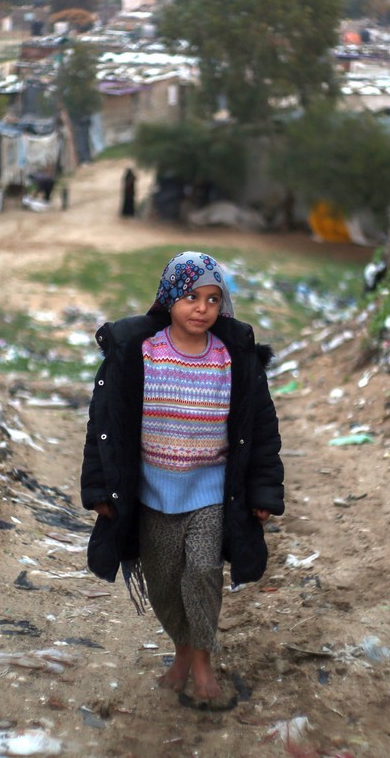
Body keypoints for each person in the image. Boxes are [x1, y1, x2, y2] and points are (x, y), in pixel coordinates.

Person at [81, 251, 285, 711]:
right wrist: (99, 490)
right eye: (191, 296)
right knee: (165, 581)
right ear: (169, 297)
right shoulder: (140, 353)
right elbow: (104, 427)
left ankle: (202, 662)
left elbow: (263, 428)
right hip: (152, 493)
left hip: (212, 490)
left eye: (213, 299)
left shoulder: (231, 360)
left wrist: (264, 492)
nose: (202, 308)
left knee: (201, 572)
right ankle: (180, 652)